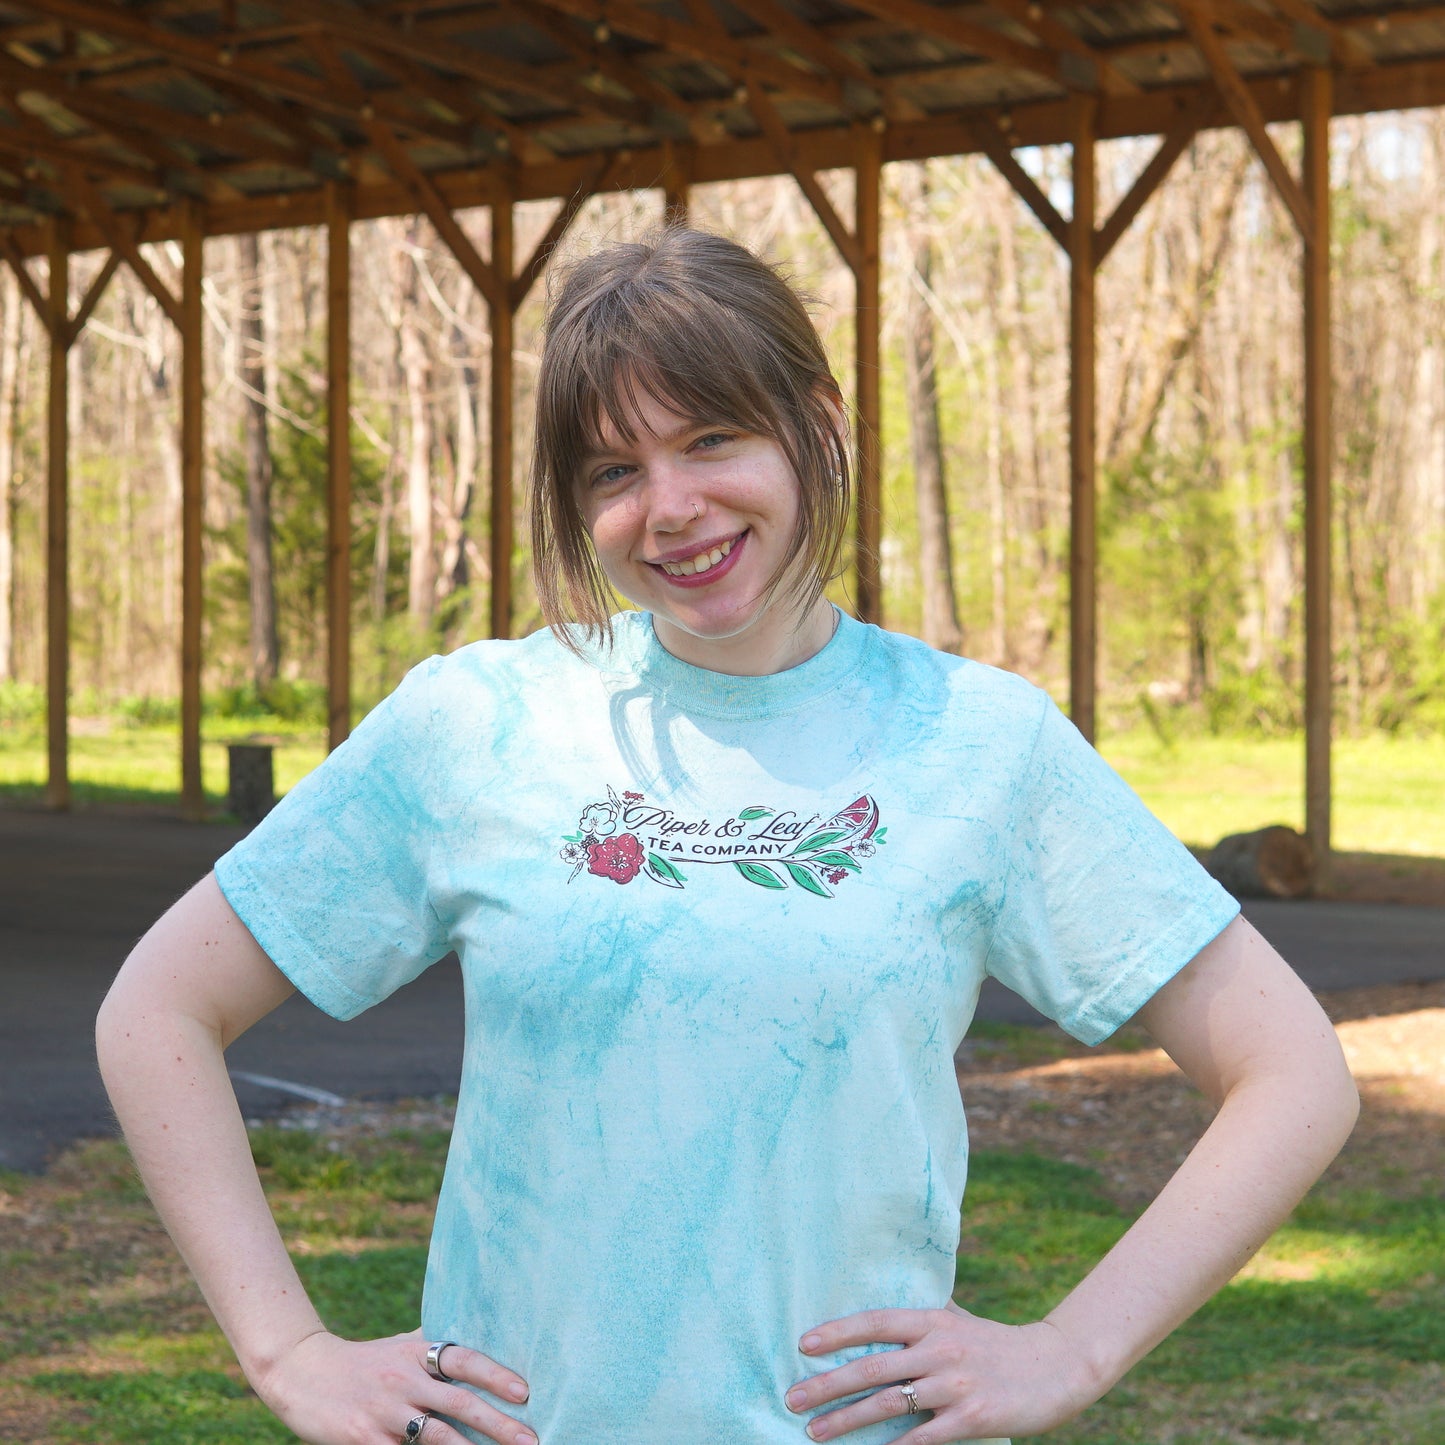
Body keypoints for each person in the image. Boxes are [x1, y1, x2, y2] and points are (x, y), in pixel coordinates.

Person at [96, 227, 1358, 1445]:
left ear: (816, 424)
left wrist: (1070, 1349)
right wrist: (289, 1352)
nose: (671, 506)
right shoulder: (473, 723)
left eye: (711, 439)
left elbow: (1291, 1070)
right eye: (613, 470)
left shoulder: (978, 743)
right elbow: (157, 1009)